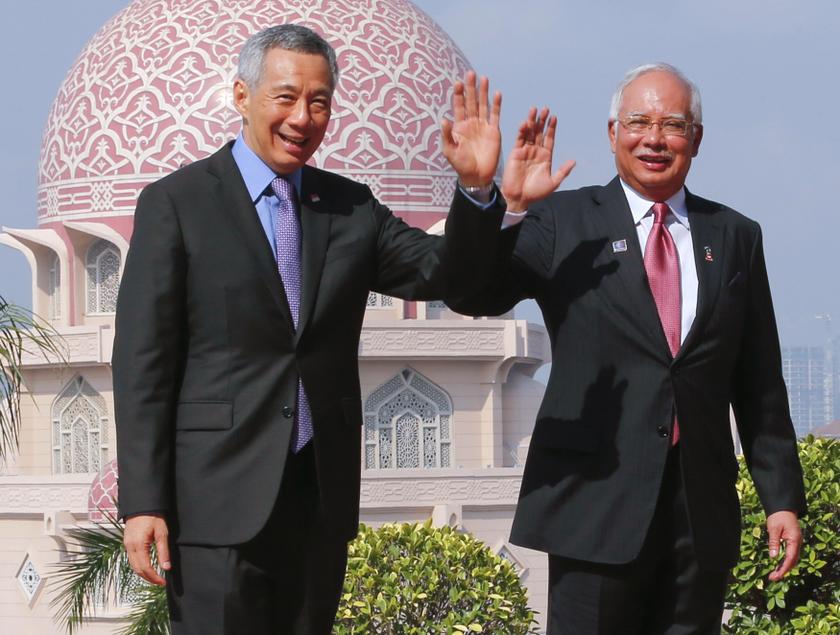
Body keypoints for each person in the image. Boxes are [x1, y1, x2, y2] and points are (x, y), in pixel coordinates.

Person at [112, 24, 511, 634]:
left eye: (319, 102)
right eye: (286, 97)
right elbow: (144, 362)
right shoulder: (178, 203)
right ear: (242, 96)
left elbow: (442, 274)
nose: (303, 117)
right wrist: (143, 502)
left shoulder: (349, 207)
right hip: (214, 501)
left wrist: (477, 191)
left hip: (317, 497)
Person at [451, 63, 807, 634]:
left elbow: (759, 380)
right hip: (592, 503)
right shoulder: (561, 219)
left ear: (696, 137)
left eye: (672, 124)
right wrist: (501, 206)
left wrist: (781, 498)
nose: (654, 138)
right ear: (612, 133)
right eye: (638, 121)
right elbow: (476, 294)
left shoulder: (736, 236)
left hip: (698, 508)